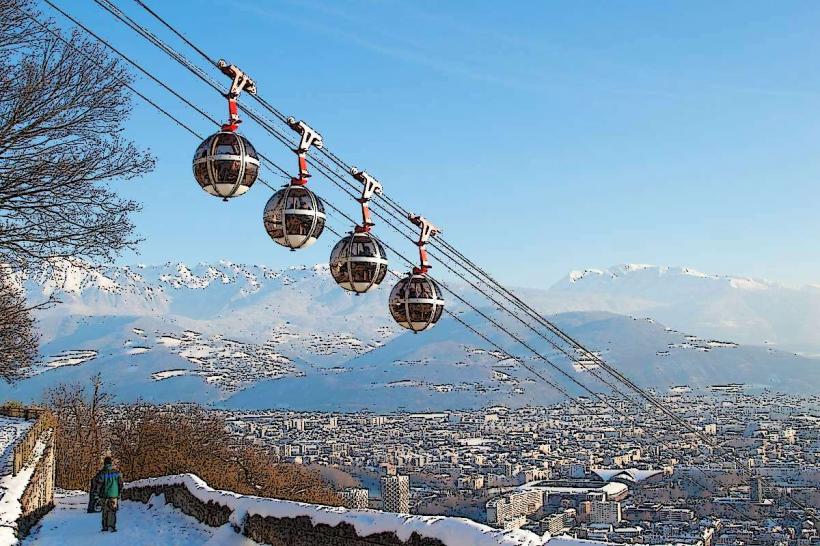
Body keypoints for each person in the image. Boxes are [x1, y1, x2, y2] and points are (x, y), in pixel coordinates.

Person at [94, 456, 123, 532]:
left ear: (104, 463)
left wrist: (96, 495)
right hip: (114, 496)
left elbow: (98, 485)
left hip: (104, 496)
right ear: (111, 463)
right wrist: (119, 494)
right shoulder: (116, 473)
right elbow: (120, 484)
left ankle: (105, 527)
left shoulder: (102, 473)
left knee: (105, 511)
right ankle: (112, 526)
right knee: (113, 511)